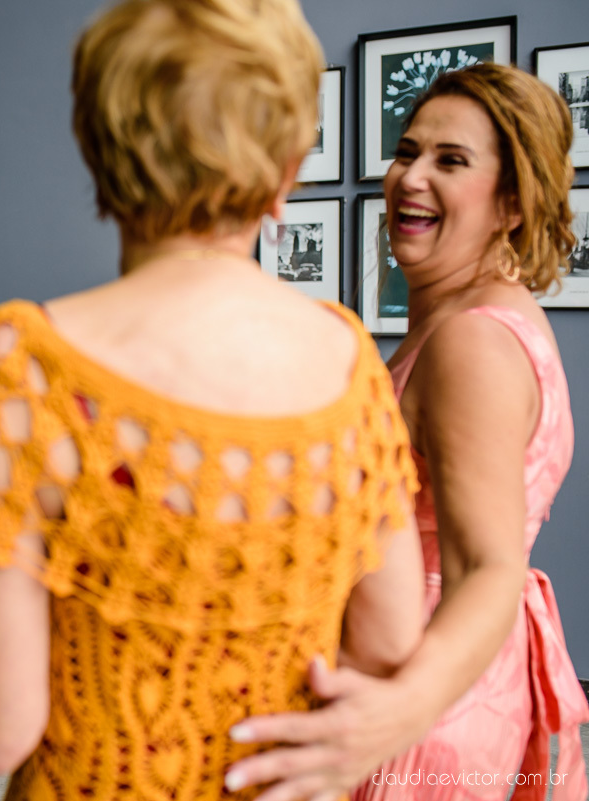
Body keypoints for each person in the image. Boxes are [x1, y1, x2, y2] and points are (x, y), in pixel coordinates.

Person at [0, 1, 426, 798]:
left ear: (100, 148)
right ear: (288, 169)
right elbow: (391, 640)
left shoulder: (23, 365)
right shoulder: (348, 361)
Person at [226, 64, 589, 801]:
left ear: (512, 202)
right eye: (407, 151)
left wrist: (398, 710)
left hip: (420, 703)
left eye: (450, 161)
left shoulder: (471, 345)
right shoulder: (480, 319)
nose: (410, 177)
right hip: (455, 679)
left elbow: (488, 565)